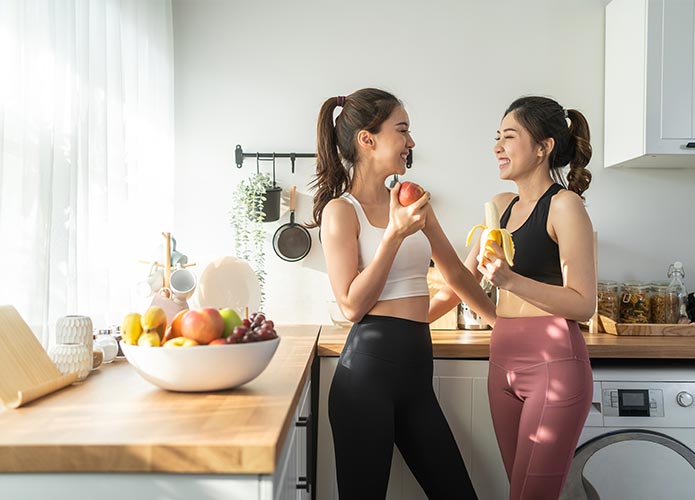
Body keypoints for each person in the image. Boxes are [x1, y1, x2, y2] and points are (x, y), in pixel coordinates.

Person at [311, 88, 495, 500]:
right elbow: (352, 304)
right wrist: (393, 234)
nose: (411, 142)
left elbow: (456, 277)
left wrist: (504, 325)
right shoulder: (341, 211)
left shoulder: (413, 201)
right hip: (365, 380)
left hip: (416, 377)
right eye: (402, 130)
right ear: (367, 139)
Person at [434, 95, 595, 500]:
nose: (497, 147)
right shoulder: (500, 207)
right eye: (497, 137)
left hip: (554, 365)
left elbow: (582, 303)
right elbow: (461, 279)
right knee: (518, 492)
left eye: (509, 136)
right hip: (502, 360)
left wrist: (509, 280)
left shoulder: (565, 206)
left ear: (544, 148)